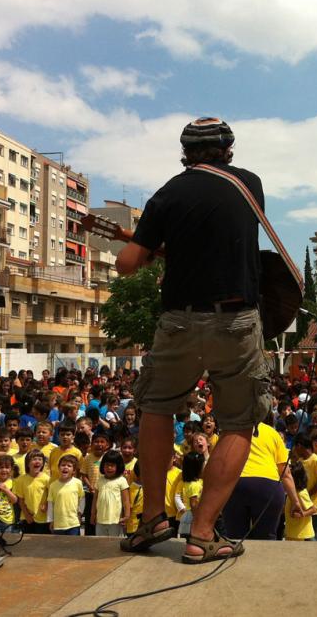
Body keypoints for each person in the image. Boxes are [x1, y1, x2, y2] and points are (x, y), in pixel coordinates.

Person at [116, 118, 275, 564]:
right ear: (228, 150)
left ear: (184, 152)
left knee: (156, 408)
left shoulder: (167, 193)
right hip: (237, 321)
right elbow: (219, 238)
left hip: (180, 320)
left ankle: (152, 519)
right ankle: (202, 533)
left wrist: (142, 248)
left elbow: (128, 263)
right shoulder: (249, 184)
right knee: (238, 422)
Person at [44, 455, 84, 536]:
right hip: (58, 524)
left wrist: (80, 513)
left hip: (73, 523)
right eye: (63, 465)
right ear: (58, 468)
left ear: (73, 471)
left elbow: (82, 499)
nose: (65, 467)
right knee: (59, 547)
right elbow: (51, 504)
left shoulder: (78, 483)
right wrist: (51, 520)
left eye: (69, 466)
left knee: (73, 546)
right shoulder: (53, 485)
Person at [94, 450, 130, 537]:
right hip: (100, 520)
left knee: (114, 544)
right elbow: (95, 499)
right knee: (100, 544)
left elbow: (126, 501)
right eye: (107, 465)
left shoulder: (122, 481)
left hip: (115, 521)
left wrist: (127, 516)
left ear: (118, 467)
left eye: (112, 465)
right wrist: (93, 514)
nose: (109, 468)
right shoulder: (100, 480)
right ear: (103, 466)